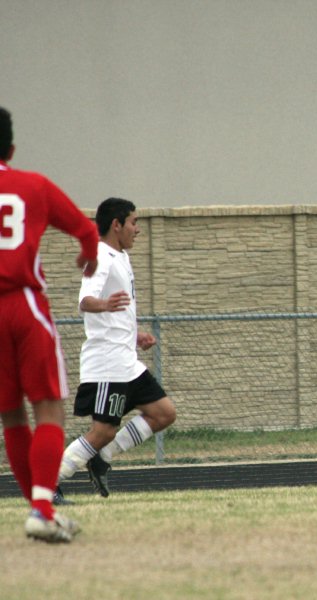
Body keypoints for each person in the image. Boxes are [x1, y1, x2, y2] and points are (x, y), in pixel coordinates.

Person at [0, 106, 98, 542]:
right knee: (48, 407)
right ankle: (43, 509)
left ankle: (39, 511)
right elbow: (85, 229)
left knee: (10, 414)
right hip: (22, 303)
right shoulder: (32, 185)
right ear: (12, 147)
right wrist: (88, 255)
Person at [56, 197, 176, 498]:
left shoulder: (120, 255)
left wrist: (135, 334)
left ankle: (102, 458)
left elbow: (117, 312)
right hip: (108, 363)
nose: (137, 230)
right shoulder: (100, 256)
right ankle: (49, 481)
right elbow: (85, 301)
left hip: (126, 360)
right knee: (103, 431)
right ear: (116, 224)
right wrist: (105, 304)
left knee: (163, 413)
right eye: (134, 222)